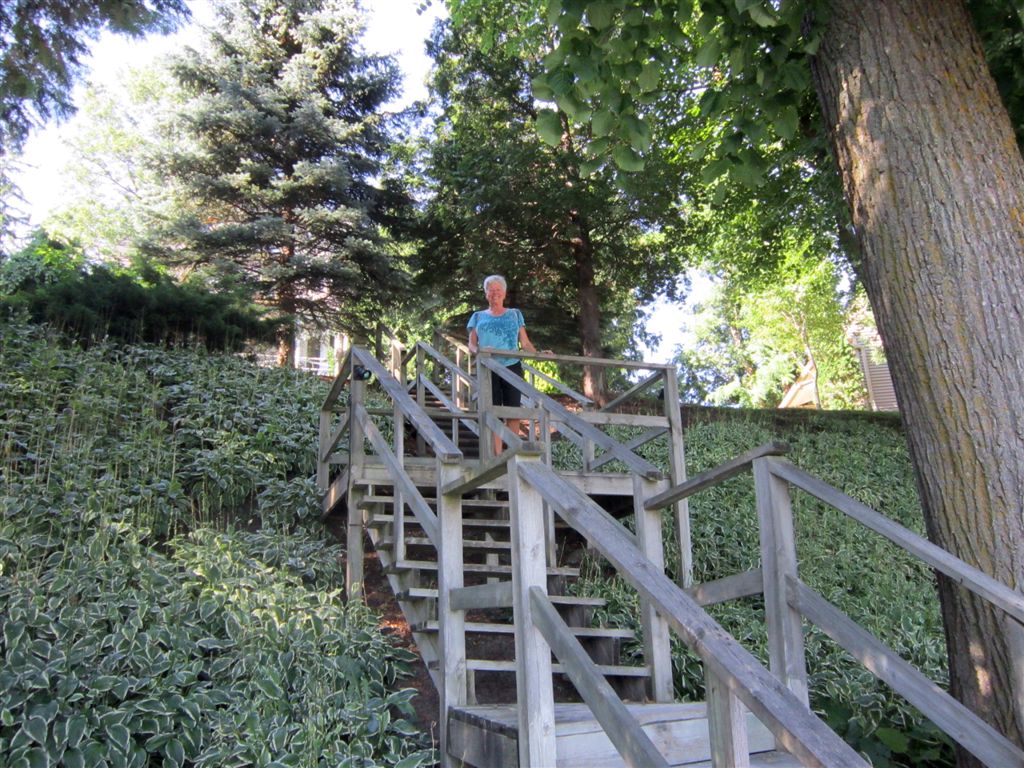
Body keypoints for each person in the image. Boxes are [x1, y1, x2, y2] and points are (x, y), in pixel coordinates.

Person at [467, 274, 539, 456]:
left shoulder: (515, 314)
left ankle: (513, 453)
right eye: (490, 290)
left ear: (504, 293)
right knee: (493, 412)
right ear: (486, 294)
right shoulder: (477, 316)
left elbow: (525, 343)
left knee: (513, 411)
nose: (495, 293)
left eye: (498, 290)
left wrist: (539, 354)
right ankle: (497, 456)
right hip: (488, 368)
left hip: (512, 366)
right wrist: (480, 351)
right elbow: (471, 345)